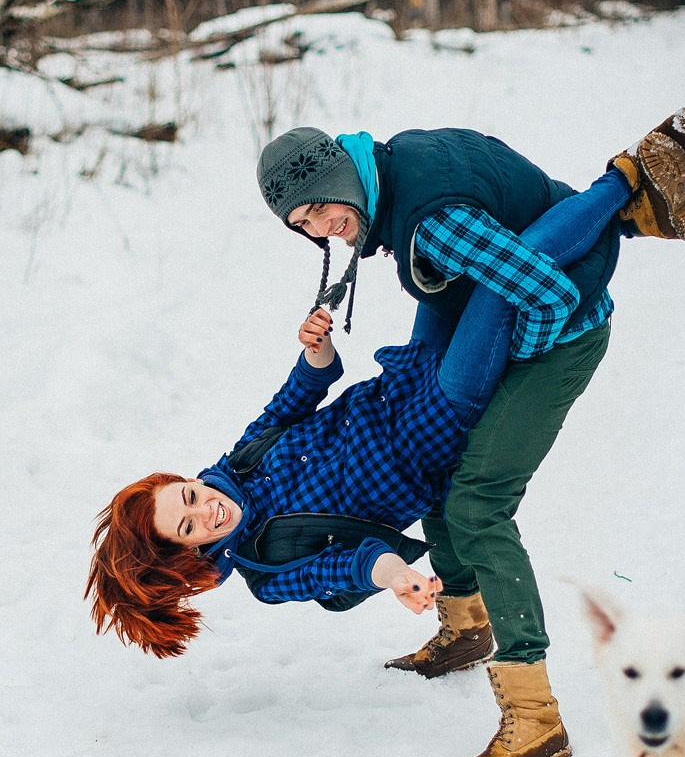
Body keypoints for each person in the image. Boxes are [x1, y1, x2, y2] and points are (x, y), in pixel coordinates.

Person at [254, 109, 685, 757]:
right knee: (435, 468)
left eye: (319, 208)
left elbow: (547, 296)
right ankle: (465, 626)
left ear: (340, 174)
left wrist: (500, 359)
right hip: (524, 279)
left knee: (476, 504)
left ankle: (536, 717)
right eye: (302, 226)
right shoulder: (395, 164)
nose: (320, 229)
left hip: (560, 336)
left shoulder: (431, 220)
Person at [88, 155, 648, 665]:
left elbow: (293, 401)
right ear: (187, 556)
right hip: (439, 422)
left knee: (446, 263)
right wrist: (395, 576)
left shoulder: (238, 465)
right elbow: (345, 565)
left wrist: (315, 353)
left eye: (189, 496)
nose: (205, 510)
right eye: (189, 528)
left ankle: (614, 213)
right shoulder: (265, 562)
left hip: (399, 385)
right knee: (499, 287)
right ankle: (623, 185)